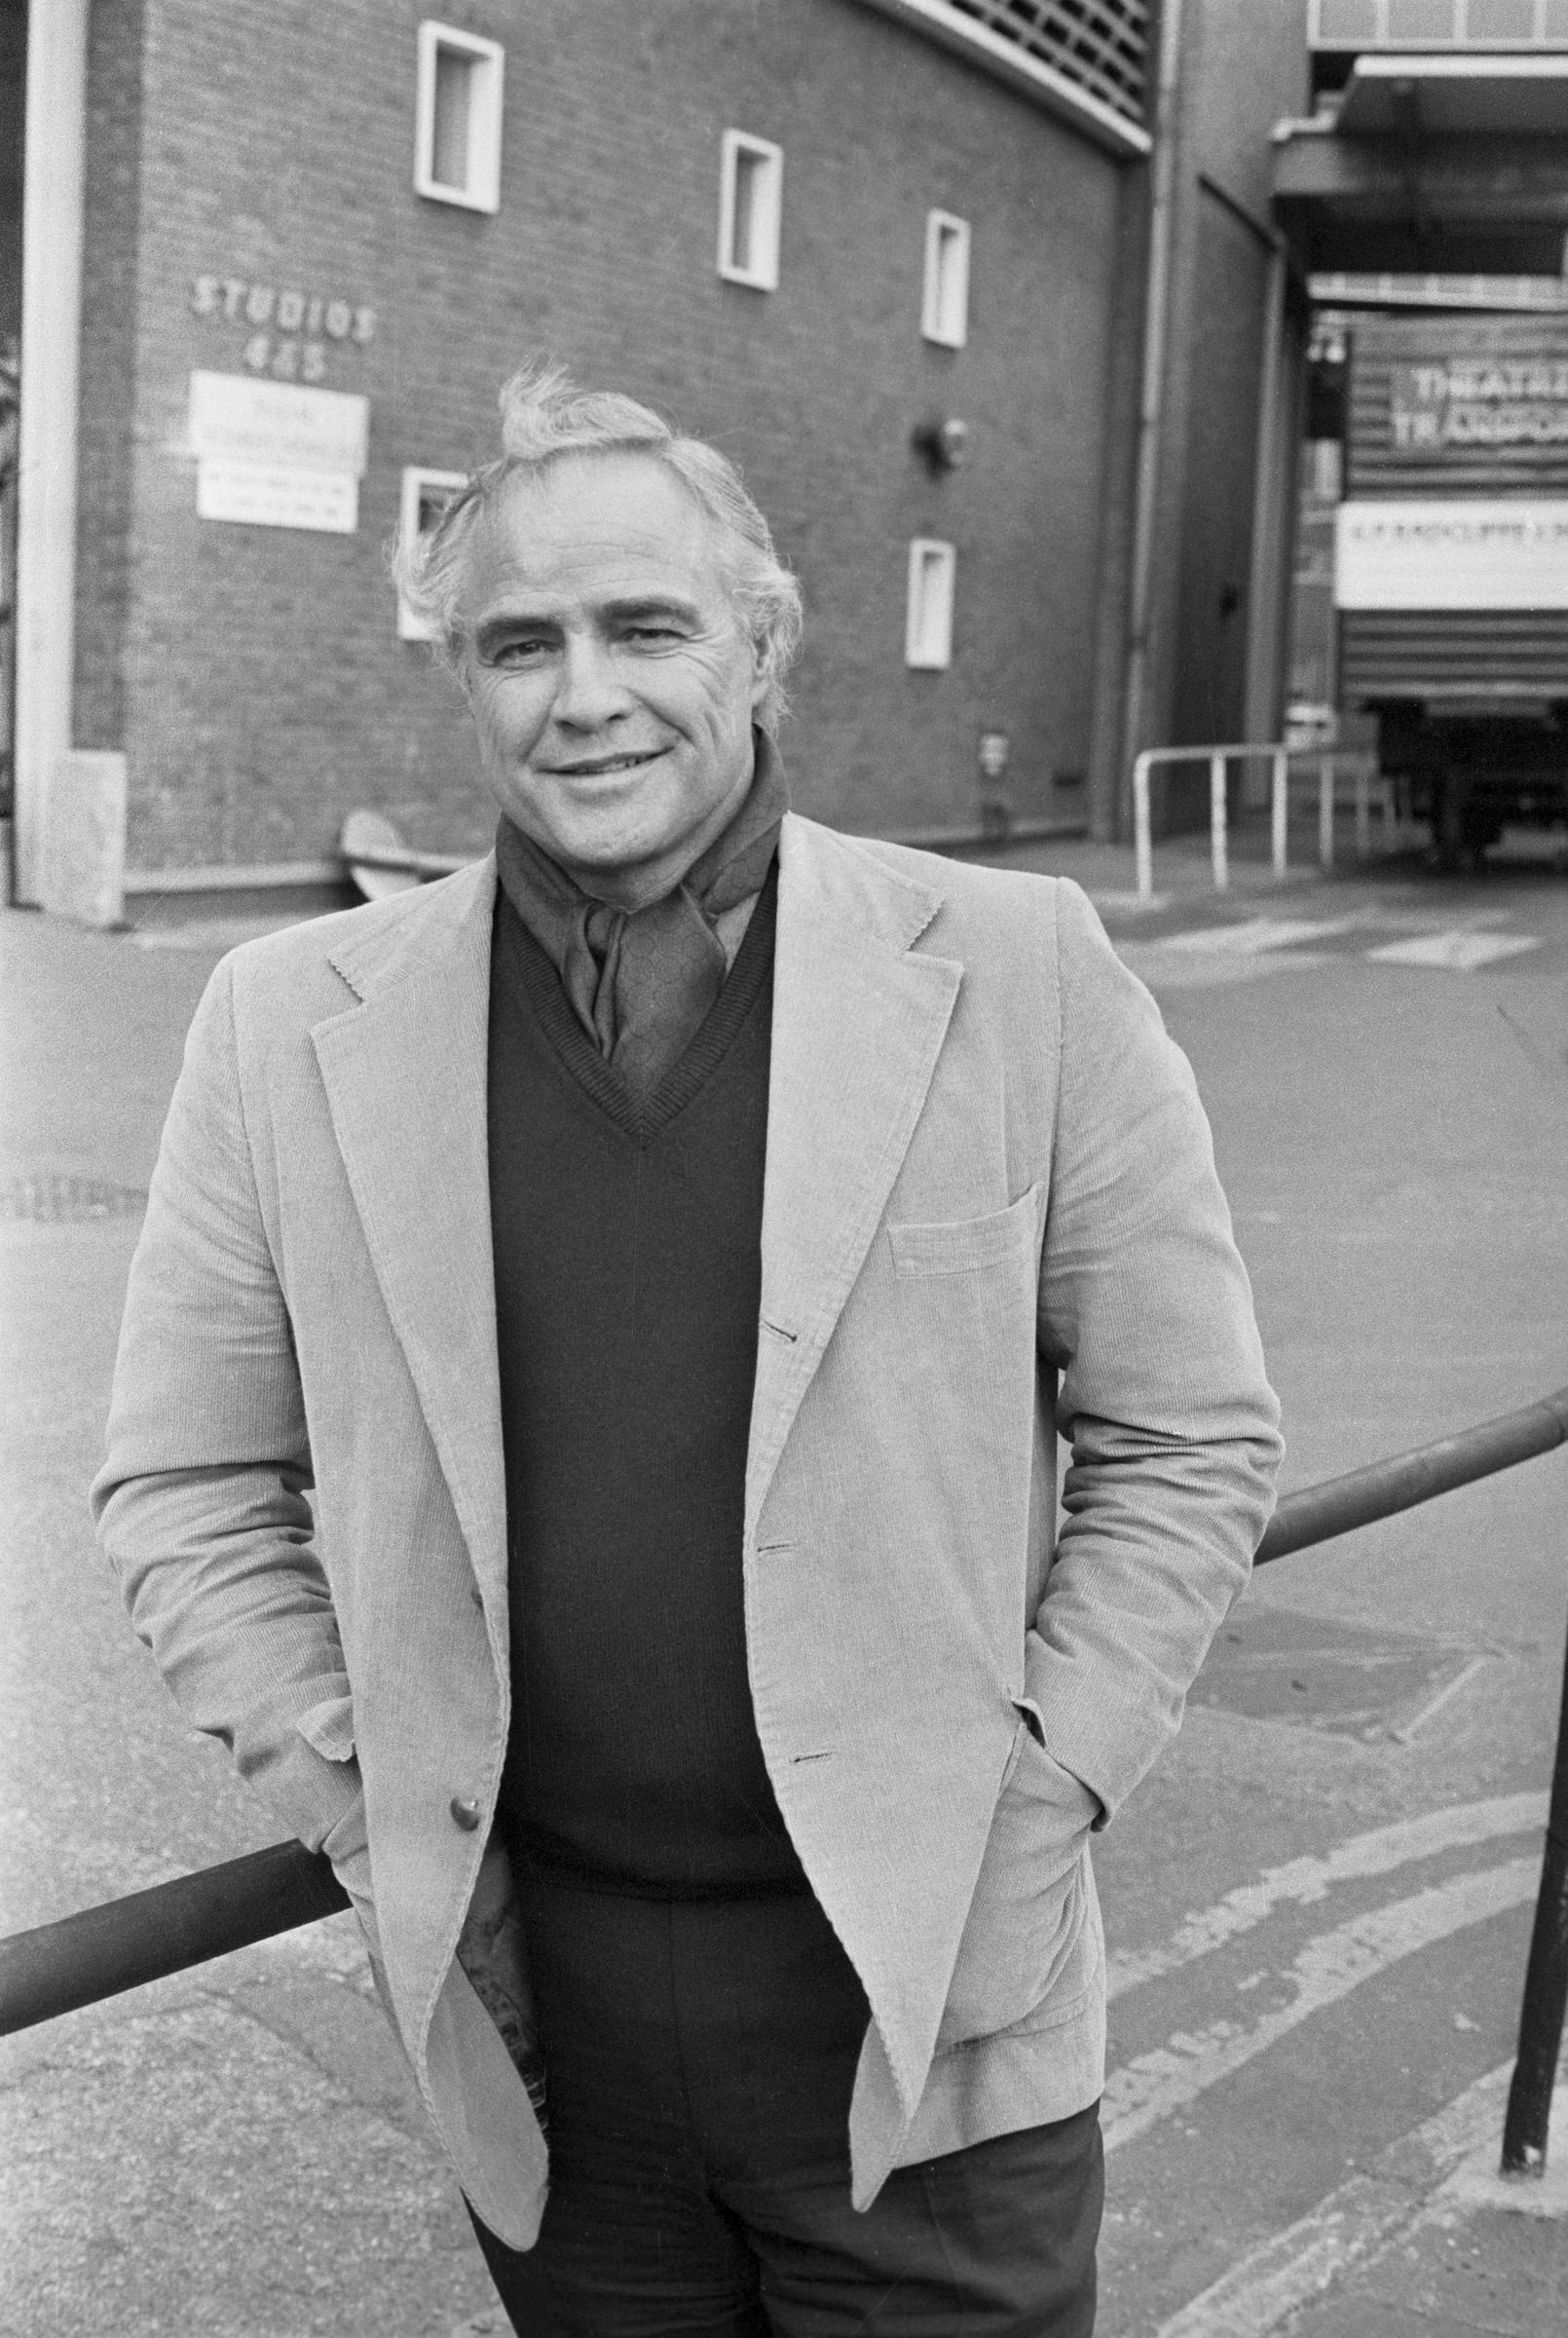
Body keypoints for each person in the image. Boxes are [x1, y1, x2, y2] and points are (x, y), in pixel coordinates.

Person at [94, 361, 1283, 2335]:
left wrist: (1046, 1786)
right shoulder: (284, 1018)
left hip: (930, 2005)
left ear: (760, 641)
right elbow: (185, 1481)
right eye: (518, 642)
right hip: (538, 2016)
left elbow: (1188, 1435)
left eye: (644, 627)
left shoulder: (1017, 971)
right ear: (460, 676)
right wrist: (351, 1779)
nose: (584, 695)